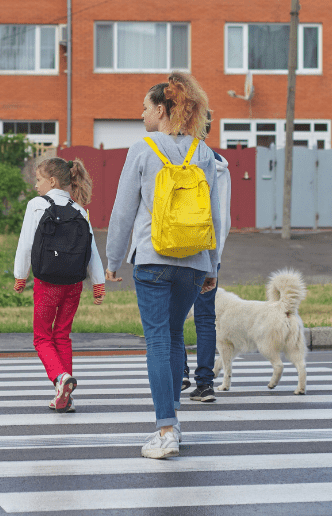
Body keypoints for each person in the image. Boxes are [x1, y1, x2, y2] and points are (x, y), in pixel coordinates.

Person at [105, 72, 222, 459]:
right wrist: (212, 266)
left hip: (153, 260)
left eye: (144, 108)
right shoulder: (202, 152)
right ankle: (173, 422)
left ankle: (166, 429)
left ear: (161, 108)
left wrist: (112, 259)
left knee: (157, 340)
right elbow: (214, 216)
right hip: (193, 262)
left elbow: (123, 210)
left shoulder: (142, 149)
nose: (141, 115)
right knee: (173, 337)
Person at [13, 157, 106, 413]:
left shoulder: (36, 205)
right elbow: (92, 251)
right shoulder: (79, 210)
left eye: (39, 180)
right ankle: (66, 396)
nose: (36, 186)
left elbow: (26, 244)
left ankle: (60, 379)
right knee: (62, 335)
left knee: (42, 337)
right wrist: (98, 283)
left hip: (47, 284)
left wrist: (20, 276)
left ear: (52, 181)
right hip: (74, 285)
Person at [183, 119, 232, 403]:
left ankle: (180, 375)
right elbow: (221, 220)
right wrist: (216, 260)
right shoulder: (220, 166)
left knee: (172, 317)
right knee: (205, 319)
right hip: (208, 253)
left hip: (175, 251)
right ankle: (205, 383)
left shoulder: (172, 158)